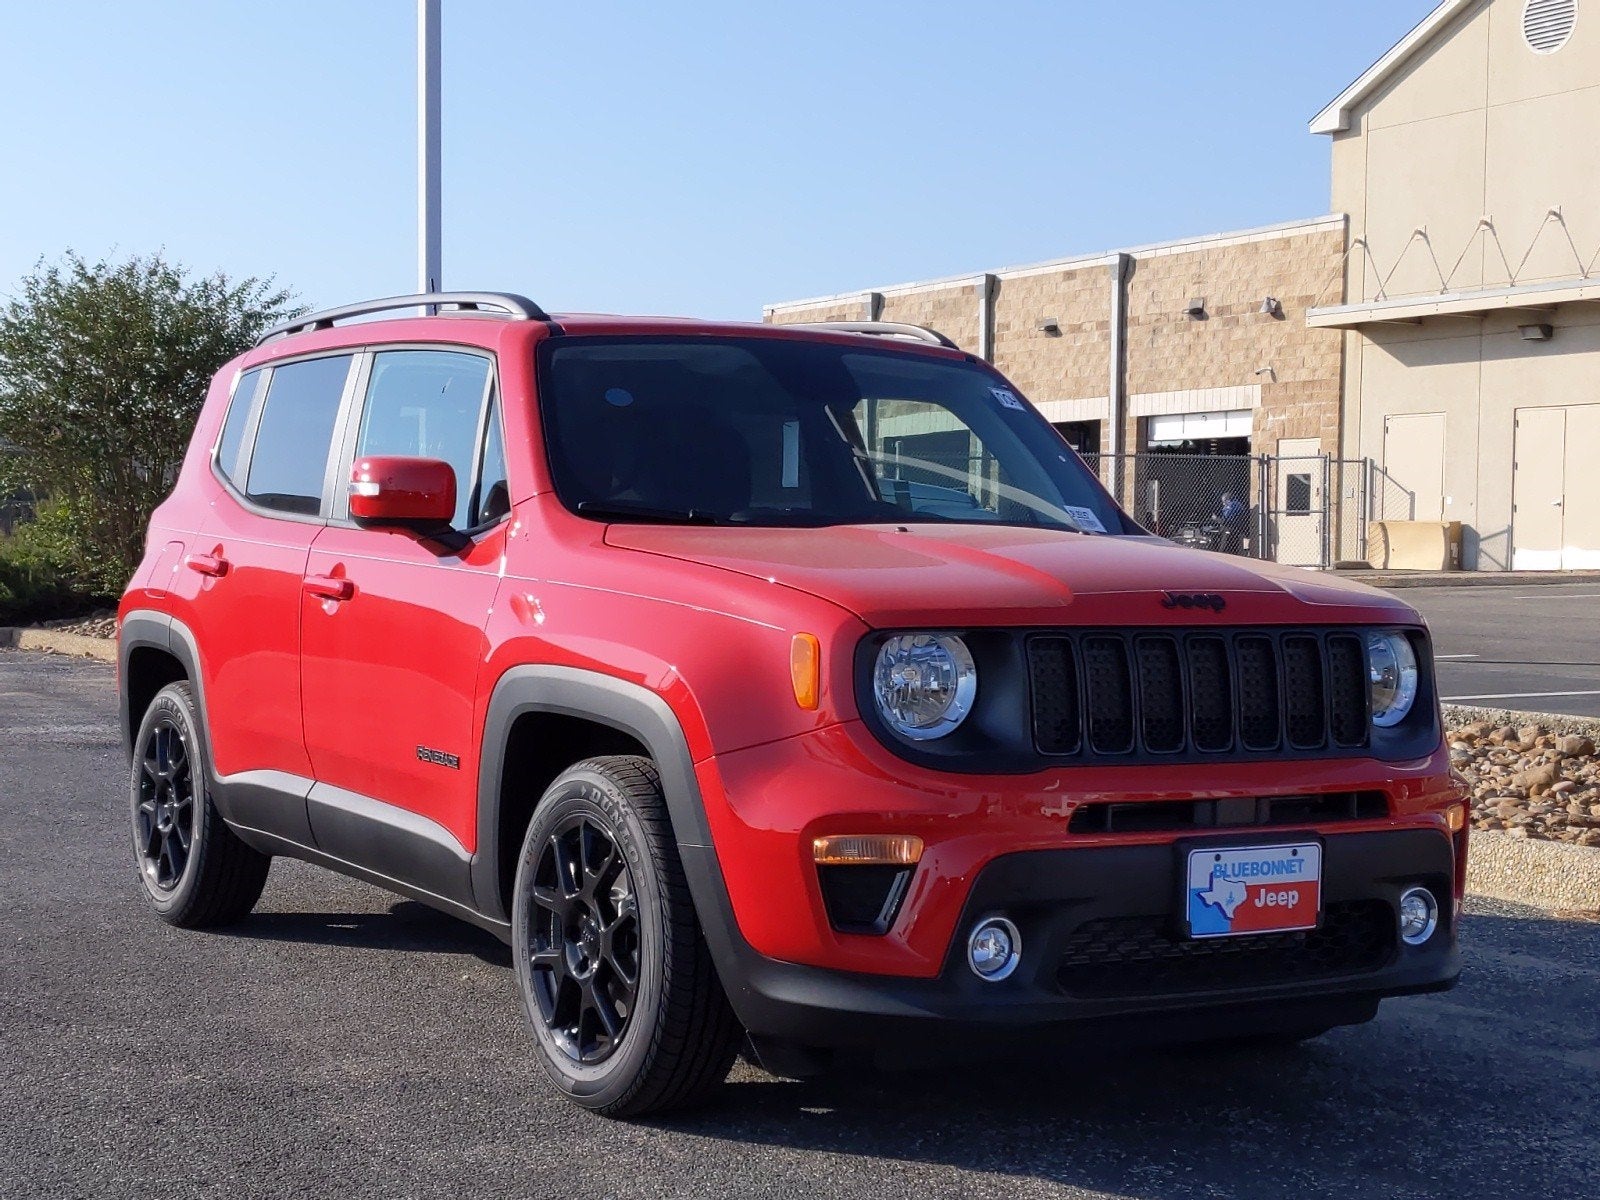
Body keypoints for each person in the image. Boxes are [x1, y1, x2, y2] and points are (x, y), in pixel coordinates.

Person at [1214, 490, 1247, 555]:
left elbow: (1227, 521)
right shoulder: (1237, 504)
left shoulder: (1232, 505)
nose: (1223, 504)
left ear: (1228, 500)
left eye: (1224, 502)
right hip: (1235, 530)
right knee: (1233, 549)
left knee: (1224, 549)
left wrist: (1216, 519)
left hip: (1230, 530)